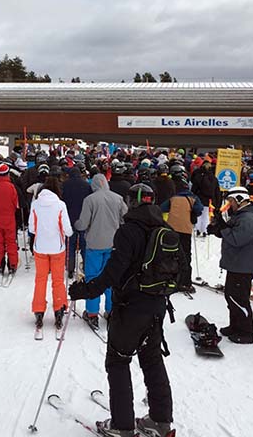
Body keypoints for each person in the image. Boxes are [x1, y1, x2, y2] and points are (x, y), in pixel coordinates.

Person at [69, 183, 174, 437]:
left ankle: (122, 426)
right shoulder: (164, 229)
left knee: (118, 360)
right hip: (157, 305)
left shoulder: (129, 231)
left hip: (130, 308)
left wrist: (85, 290)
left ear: (133, 202)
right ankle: (161, 421)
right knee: (151, 360)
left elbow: (113, 273)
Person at [207, 186, 253, 343]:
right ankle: (235, 325)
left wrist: (223, 228)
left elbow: (237, 239)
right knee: (231, 296)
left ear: (239, 199)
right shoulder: (241, 216)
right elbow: (231, 230)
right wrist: (219, 226)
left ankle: (245, 332)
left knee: (238, 298)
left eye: (231, 201)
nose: (229, 205)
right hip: (237, 264)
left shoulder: (248, 218)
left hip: (242, 265)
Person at [74, 173, 127, 329]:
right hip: (113, 244)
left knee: (93, 278)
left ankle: (92, 313)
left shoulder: (90, 200)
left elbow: (83, 224)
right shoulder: (118, 198)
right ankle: (110, 311)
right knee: (111, 277)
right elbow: (125, 217)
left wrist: (76, 225)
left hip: (94, 245)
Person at [28, 177, 72, 333]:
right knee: (58, 280)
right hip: (57, 248)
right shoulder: (60, 205)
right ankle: (59, 308)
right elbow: (67, 229)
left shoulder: (35, 204)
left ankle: (39, 310)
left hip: (40, 247)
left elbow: (32, 229)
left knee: (40, 279)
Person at [160, 177, 202, 293]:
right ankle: (185, 282)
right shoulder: (193, 198)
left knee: (171, 254)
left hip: (171, 229)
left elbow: (162, 208)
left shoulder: (173, 198)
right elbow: (199, 209)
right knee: (186, 255)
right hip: (185, 229)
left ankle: (170, 278)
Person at [62, 166, 91, 278]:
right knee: (84, 244)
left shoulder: (65, 185)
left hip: (69, 218)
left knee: (70, 244)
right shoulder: (86, 185)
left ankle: (70, 268)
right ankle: (86, 266)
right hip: (83, 218)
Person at [190, 160, 221, 236]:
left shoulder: (198, 177)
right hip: (210, 200)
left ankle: (198, 229)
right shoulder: (214, 178)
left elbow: (194, 189)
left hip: (199, 199)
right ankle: (205, 230)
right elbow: (217, 191)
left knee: (199, 215)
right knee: (206, 216)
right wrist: (217, 203)